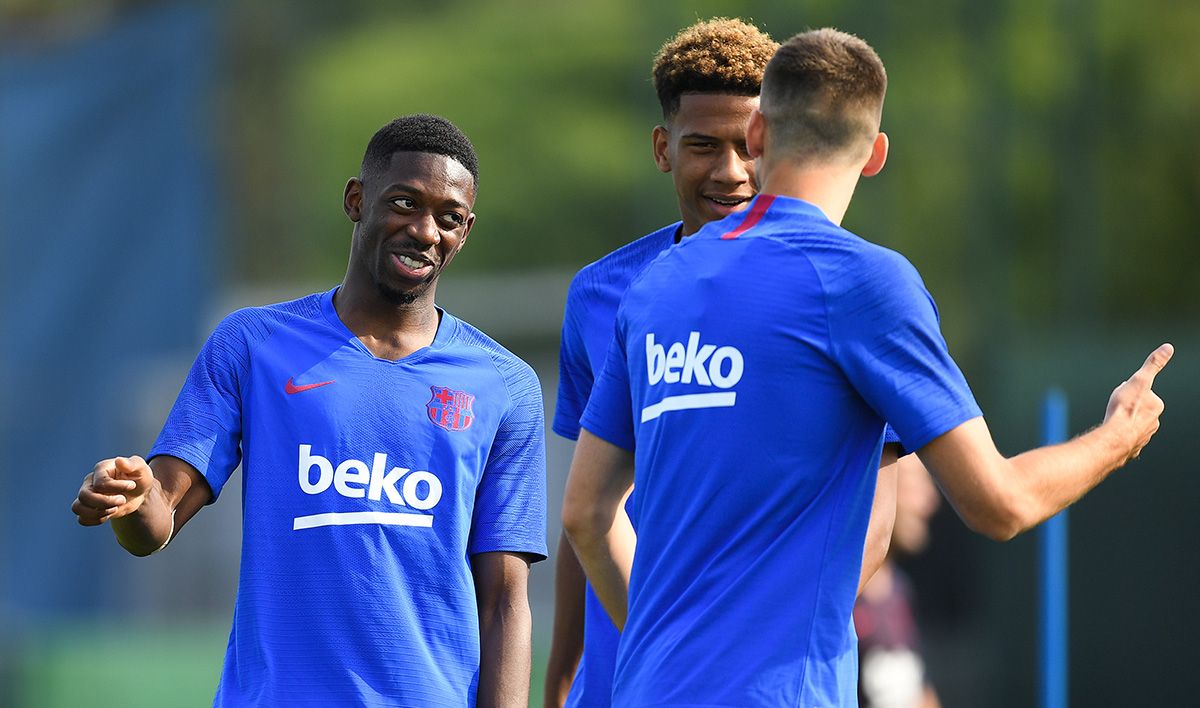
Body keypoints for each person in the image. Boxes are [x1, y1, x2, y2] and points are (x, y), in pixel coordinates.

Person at [563, 28, 1171, 706]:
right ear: (876, 153)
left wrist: (664, 647)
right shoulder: (864, 282)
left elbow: (586, 513)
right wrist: (1115, 439)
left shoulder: (654, 286)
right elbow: (1000, 503)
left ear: (758, 132)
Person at [71, 114, 547, 707]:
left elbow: (504, 599)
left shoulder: (505, 385)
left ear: (465, 231)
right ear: (357, 200)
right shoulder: (253, 345)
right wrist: (134, 497)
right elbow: (156, 522)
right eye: (404, 203)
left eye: (448, 218)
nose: (425, 231)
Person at [545, 19, 900, 707]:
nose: (730, 171)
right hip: (625, 684)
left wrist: (724, 647)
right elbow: (587, 509)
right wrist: (561, 681)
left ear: (772, 139)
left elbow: (872, 524)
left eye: (745, 145)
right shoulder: (601, 295)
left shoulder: (834, 287)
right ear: (662, 148)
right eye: (702, 146)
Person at [855, 456, 944, 708]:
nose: (930, 502)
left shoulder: (900, 590)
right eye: (916, 484)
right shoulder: (836, 595)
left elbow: (920, 693)